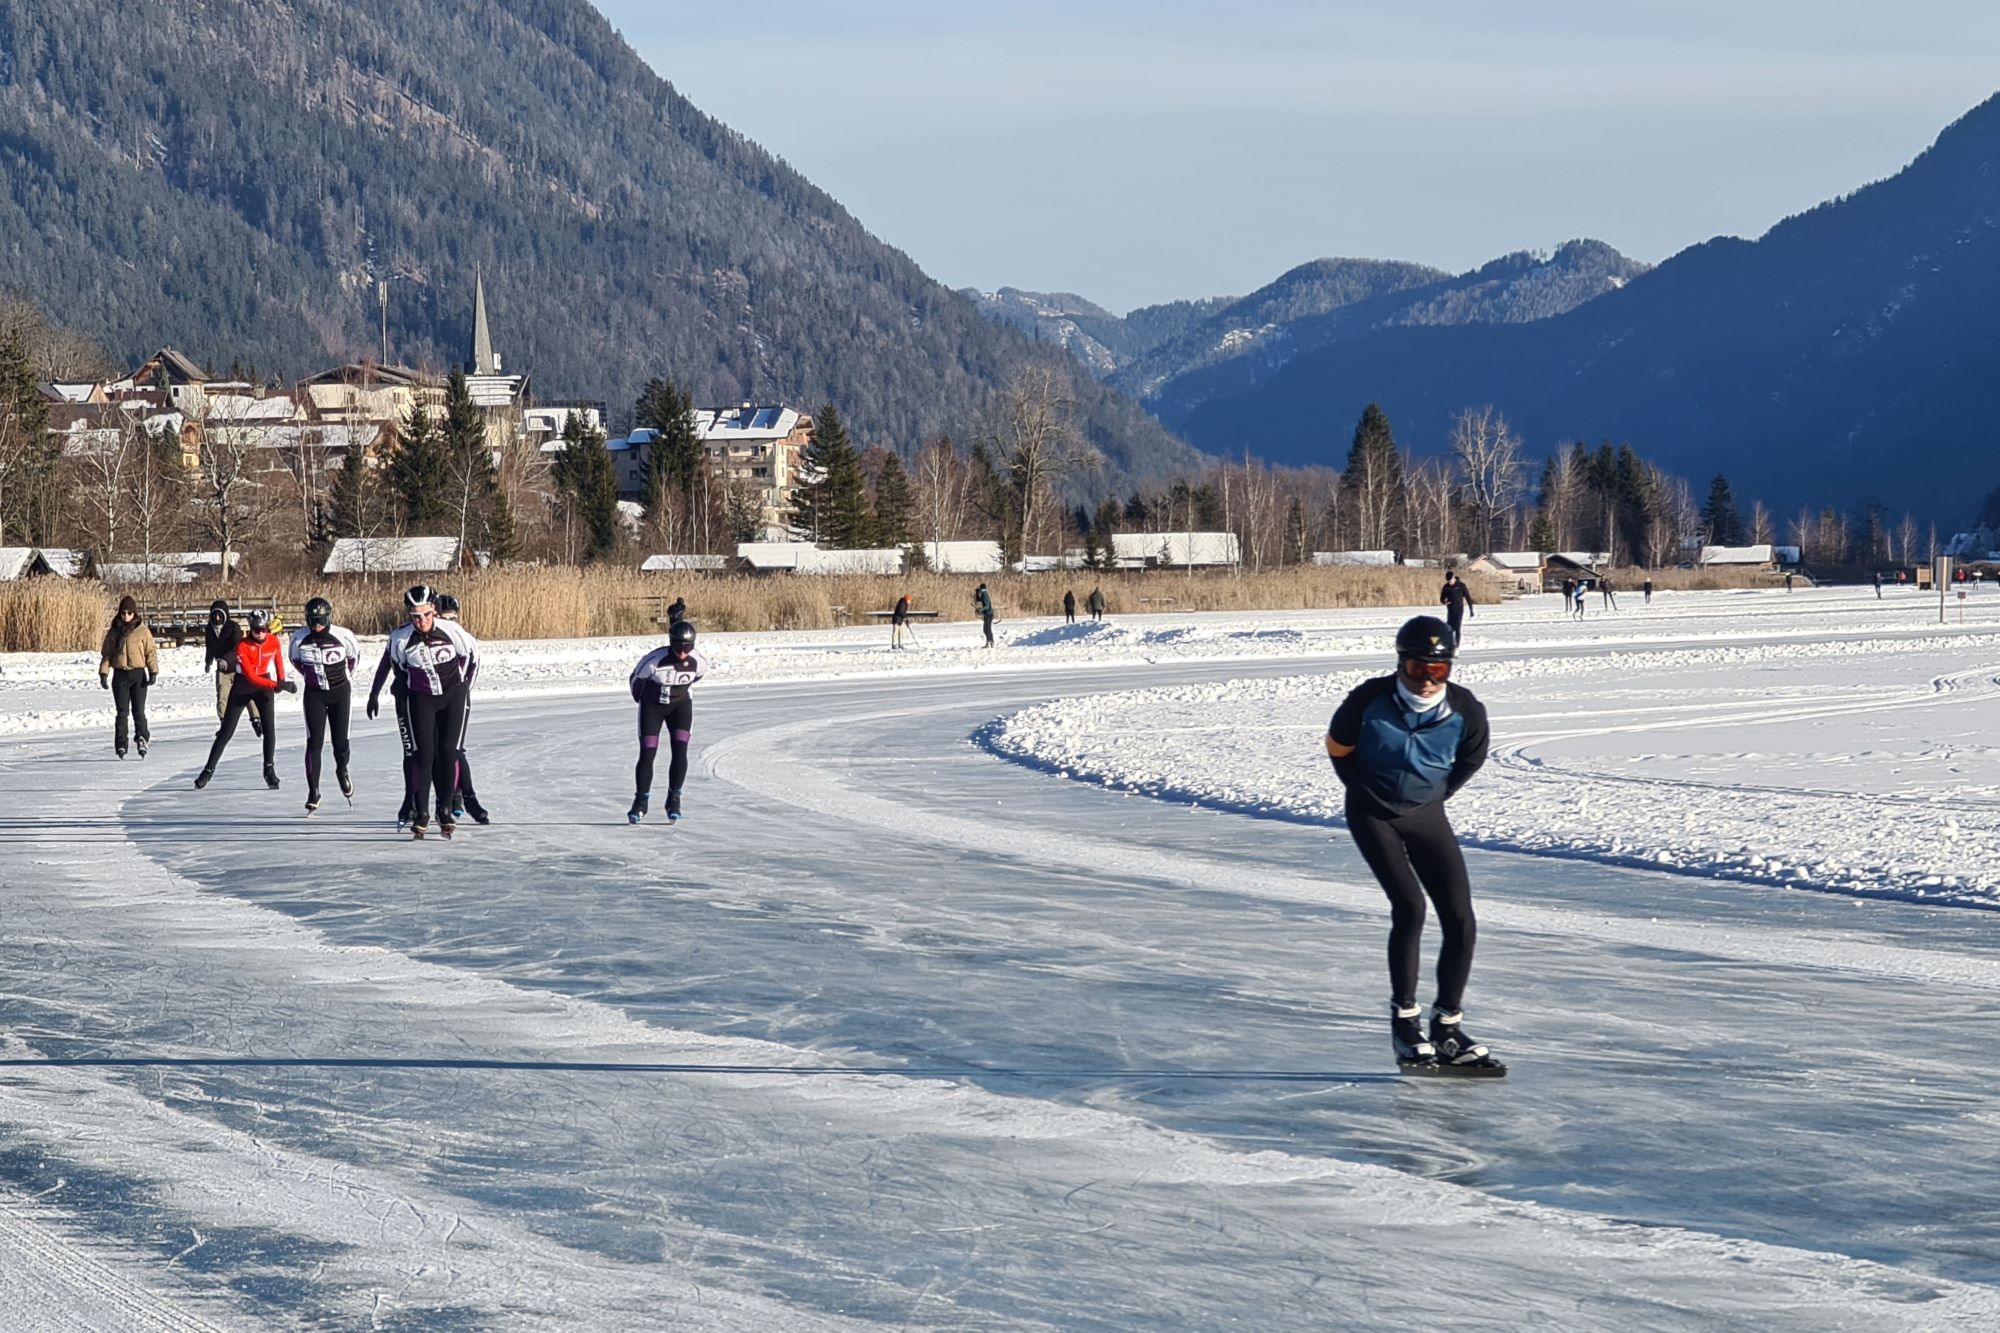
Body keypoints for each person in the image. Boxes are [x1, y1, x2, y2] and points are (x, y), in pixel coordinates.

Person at [1324, 615, 1499, 1073]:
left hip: (1426, 814)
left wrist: (1437, 794)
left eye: (1437, 670)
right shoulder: (1369, 698)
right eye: (1418, 668)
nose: (1427, 680)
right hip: (1372, 813)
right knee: (1410, 907)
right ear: (1401, 664)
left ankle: (1447, 1027)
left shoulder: (1465, 709)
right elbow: (1338, 747)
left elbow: (1472, 757)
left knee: (1460, 917)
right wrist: (1363, 790)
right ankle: (1405, 1023)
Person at [372, 585, 478, 839]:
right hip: (421, 699)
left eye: (427, 615)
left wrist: (464, 689)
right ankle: (421, 812)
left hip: (453, 696)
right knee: (423, 755)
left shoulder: (452, 631)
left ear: (434, 610)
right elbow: (398, 668)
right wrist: (377, 694)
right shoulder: (400, 639)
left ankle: (445, 809)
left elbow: (472, 659)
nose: (422, 621)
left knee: (449, 753)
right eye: (416, 617)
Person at [196, 608, 293, 789]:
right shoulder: (242, 646)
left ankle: (269, 769)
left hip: (265, 685)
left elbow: (278, 662)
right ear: (250, 629)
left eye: (263, 629)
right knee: (226, 731)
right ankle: (208, 770)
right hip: (244, 686)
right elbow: (251, 677)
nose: (260, 633)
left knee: (269, 729)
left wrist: (282, 681)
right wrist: (277, 685)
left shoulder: (273, 641)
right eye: (256, 630)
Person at [627, 619, 707, 824]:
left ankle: (674, 799)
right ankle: (641, 801)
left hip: (680, 708)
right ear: (671, 644)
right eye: (679, 648)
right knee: (648, 752)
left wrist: (678, 691)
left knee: (680, 751)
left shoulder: (698, 661)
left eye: (688, 648)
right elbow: (635, 680)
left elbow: (698, 676)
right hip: (653, 708)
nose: (683, 653)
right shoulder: (654, 660)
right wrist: (642, 700)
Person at [290, 596, 360, 813]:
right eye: (313, 621)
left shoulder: (343, 635)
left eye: (321, 620)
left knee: (340, 742)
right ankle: (314, 791)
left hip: (340, 693)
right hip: (314, 695)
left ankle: (342, 769)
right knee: (314, 742)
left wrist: (340, 677)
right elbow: (295, 661)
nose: (317, 625)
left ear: (329, 617)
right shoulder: (298, 638)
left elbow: (353, 659)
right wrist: (312, 677)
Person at [366, 589, 423, 828]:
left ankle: (446, 799)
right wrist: (374, 693)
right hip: (404, 698)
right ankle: (410, 801)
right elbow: (385, 664)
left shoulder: (443, 632)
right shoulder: (399, 636)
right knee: (411, 752)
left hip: (431, 700)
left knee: (434, 752)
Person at [435, 593, 490, 825]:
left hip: (456, 698)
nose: (449, 623)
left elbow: (473, 666)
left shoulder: (463, 638)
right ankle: (445, 800)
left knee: (454, 749)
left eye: (453, 618)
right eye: (444, 618)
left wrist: (462, 692)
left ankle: (466, 797)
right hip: (429, 699)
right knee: (434, 751)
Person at [98, 595, 159, 759]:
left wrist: (153, 671)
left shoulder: (142, 631)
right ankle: (121, 744)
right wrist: (104, 673)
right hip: (120, 675)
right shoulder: (114, 632)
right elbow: (107, 654)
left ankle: (142, 738)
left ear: (134, 614)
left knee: (138, 711)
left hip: (138, 675)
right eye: (123, 613)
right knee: (122, 712)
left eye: (129, 613)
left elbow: (150, 652)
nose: (126, 616)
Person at [1438, 572, 1473, 647]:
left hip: (1459, 610)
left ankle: (1457, 646)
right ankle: (1449, 645)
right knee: (1449, 629)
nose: (1449, 582)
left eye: (1450, 580)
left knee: (1457, 628)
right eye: (1448, 581)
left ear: (1454, 578)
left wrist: (1471, 610)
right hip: (1450, 610)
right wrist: (1444, 602)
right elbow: (1441, 599)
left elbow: (1468, 597)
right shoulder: (1446, 587)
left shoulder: (1461, 585)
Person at [974, 582, 995, 648]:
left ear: (982, 589)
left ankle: (990, 642)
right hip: (987, 614)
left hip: (988, 614)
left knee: (987, 629)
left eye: (980, 589)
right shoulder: (984, 594)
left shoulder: (984, 595)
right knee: (986, 629)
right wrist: (977, 593)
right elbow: (978, 600)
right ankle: (990, 642)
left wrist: (980, 610)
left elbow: (986, 606)